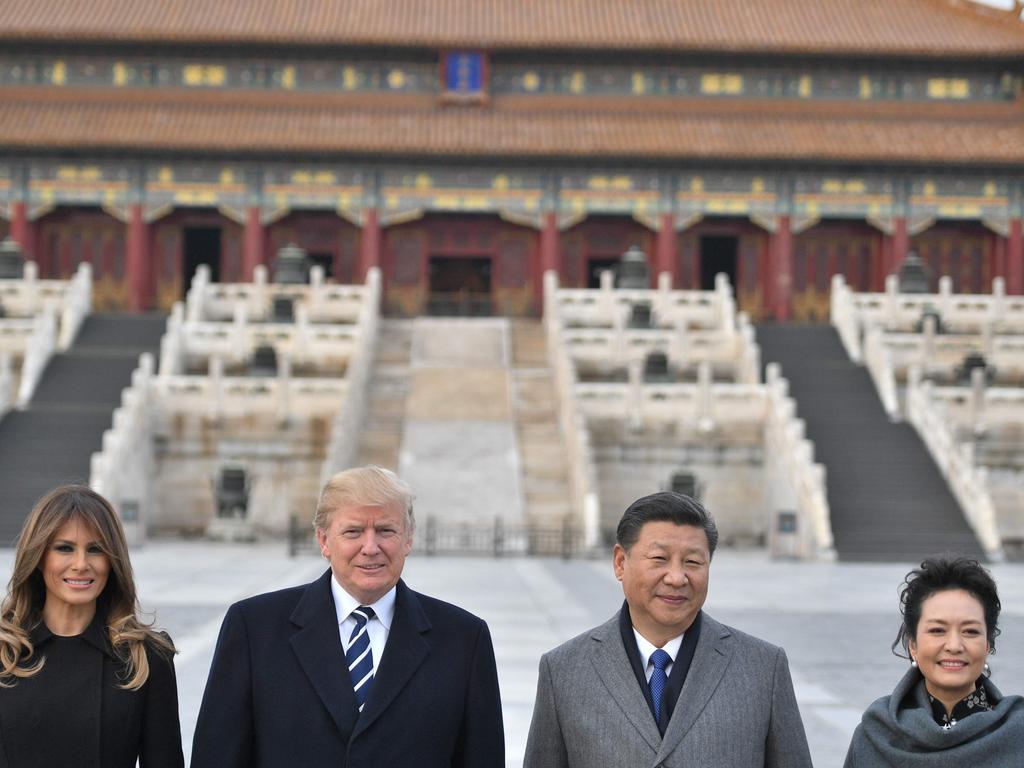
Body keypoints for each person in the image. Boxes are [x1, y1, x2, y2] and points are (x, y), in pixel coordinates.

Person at [191, 465, 504, 768]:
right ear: (324, 540)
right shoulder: (253, 628)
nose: (371, 547)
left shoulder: (464, 639)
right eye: (353, 531)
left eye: (385, 531)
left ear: (408, 538)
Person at [524, 491, 812, 768]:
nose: (677, 578)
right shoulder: (564, 670)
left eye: (693, 562)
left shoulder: (763, 668)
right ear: (620, 563)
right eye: (659, 559)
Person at [0, 485, 183, 768]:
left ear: (113, 561)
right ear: (38, 557)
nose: (81, 564)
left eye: (96, 549)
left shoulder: (145, 658)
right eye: (64, 548)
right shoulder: (5, 650)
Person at [844, 555, 1024, 767]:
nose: (954, 645)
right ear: (913, 645)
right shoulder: (876, 735)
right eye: (937, 630)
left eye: (970, 631)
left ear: (987, 645)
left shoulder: (1017, 733)